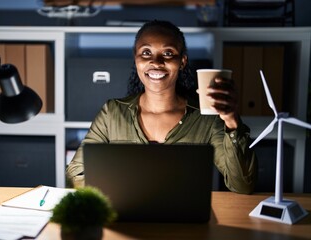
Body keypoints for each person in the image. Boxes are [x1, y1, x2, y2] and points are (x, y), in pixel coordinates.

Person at [66, 20, 257, 194]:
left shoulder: (206, 117)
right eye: (146, 52)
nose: (156, 62)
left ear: (182, 61)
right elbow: (75, 173)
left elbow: (241, 185)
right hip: (126, 220)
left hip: (184, 223)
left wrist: (231, 120)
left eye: (168, 53)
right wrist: (116, 196)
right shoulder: (112, 112)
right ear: (136, 59)